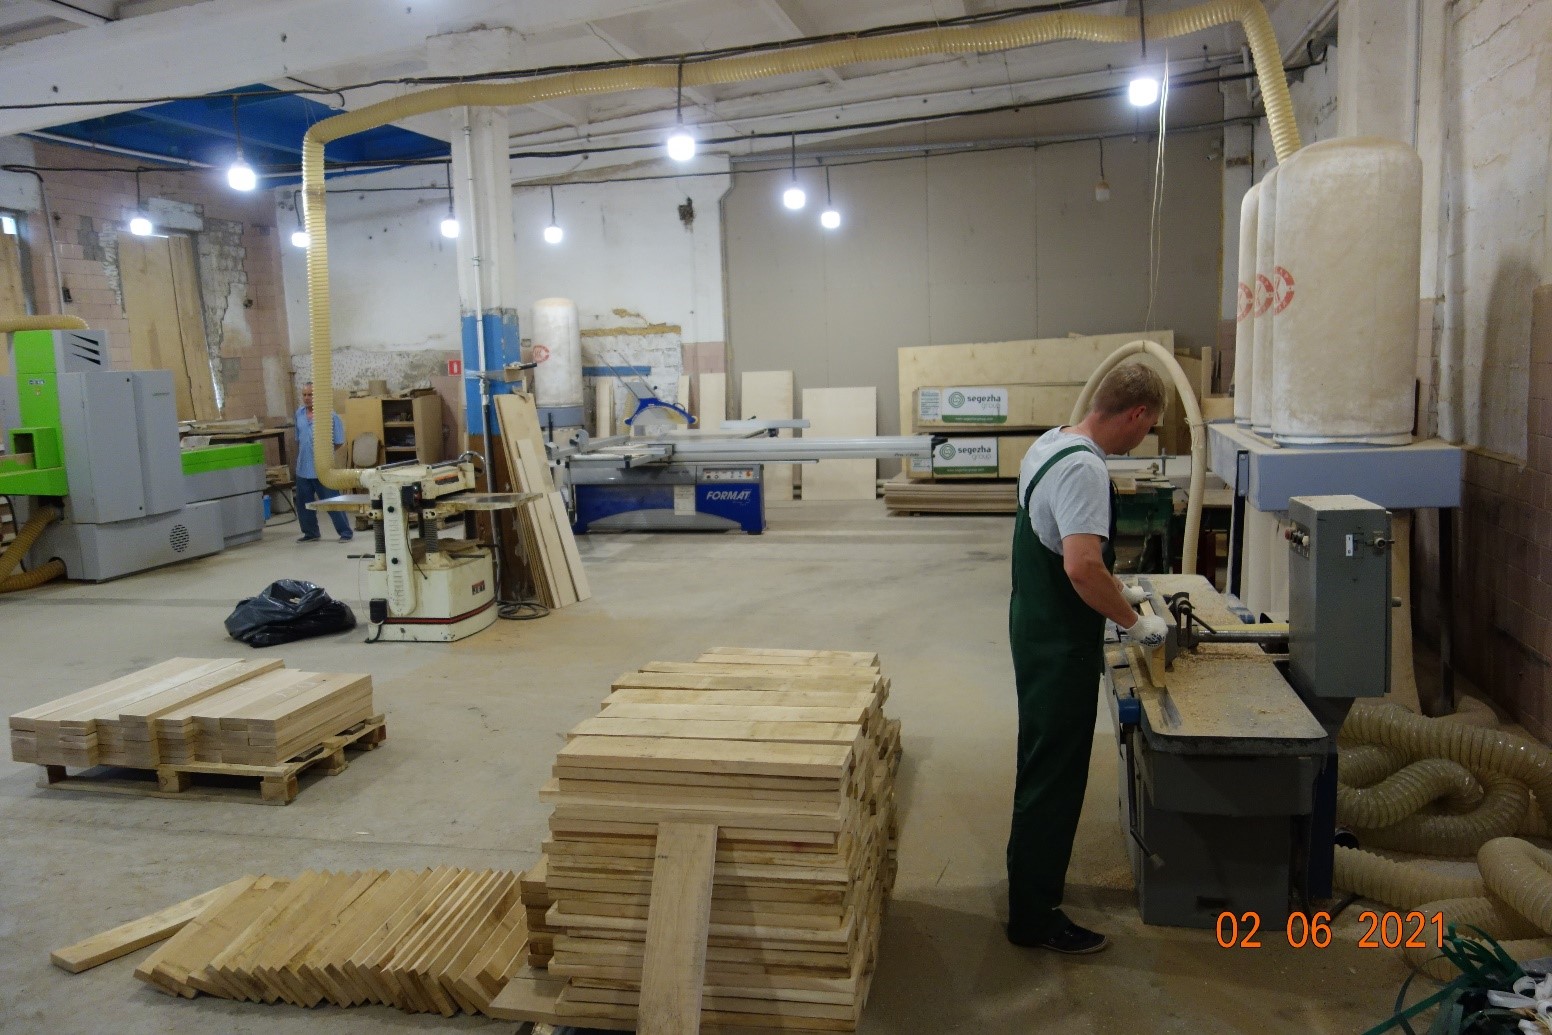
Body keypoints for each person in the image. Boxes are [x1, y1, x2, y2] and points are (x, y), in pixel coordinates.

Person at [1006, 362, 1169, 954]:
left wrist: (1117, 588)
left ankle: (1030, 887)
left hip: (1036, 625)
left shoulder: (1052, 443)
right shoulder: (1084, 469)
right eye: (1148, 427)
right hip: (1059, 643)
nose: (1143, 439)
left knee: (1041, 763)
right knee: (1055, 775)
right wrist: (1136, 623)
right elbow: (1079, 567)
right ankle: (1033, 917)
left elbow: (1062, 546)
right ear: (1136, 414)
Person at [294, 382, 354, 543]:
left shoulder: (330, 416)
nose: (307, 398)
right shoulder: (299, 414)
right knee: (304, 503)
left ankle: (345, 532)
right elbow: (298, 438)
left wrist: (324, 455)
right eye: (304, 395)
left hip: (323, 468)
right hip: (303, 468)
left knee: (332, 501)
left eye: (310, 395)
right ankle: (310, 533)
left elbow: (339, 441)